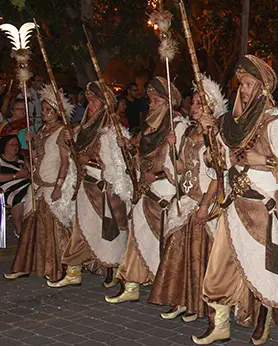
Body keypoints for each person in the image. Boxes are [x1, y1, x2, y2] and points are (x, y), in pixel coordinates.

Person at [193, 55, 278, 345]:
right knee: (219, 264)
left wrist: (265, 160)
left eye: (249, 83)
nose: (244, 90)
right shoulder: (230, 126)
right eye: (241, 84)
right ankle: (219, 322)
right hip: (234, 205)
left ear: (264, 87)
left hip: (265, 209)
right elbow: (217, 166)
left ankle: (264, 318)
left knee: (264, 268)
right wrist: (211, 136)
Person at [148, 75, 227, 321]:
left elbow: (218, 176)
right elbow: (181, 168)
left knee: (198, 257)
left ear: (211, 106)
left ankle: (198, 305)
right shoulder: (189, 132)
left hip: (204, 201)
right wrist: (172, 148)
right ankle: (181, 300)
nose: (193, 107)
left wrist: (204, 206)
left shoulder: (216, 135)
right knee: (177, 253)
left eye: (199, 104)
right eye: (192, 103)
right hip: (184, 200)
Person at [105, 76, 189, 304]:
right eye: (150, 100)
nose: (150, 105)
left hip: (165, 190)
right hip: (145, 188)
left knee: (160, 242)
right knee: (137, 236)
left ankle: (164, 286)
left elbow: (182, 162)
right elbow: (138, 154)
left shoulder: (178, 126)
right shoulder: (149, 127)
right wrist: (127, 146)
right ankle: (131, 283)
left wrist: (159, 174)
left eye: (155, 101)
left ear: (167, 103)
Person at [47, 81, 132, 289]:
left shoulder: (112, 129)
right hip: (85, 186)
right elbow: (75, 157)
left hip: (105, 188)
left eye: (95, 102)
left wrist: (90, 161)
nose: (91, 106)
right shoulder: (81, 129)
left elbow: (118, 163)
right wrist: (69, 140)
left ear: (104, 105)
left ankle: (114, 269)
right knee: (81, 228)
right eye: (90, 102)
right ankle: (73, 270)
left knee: (109, 231)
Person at [4, 85, 76, 282]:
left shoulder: (62, 132)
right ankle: (23, 266)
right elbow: (36, 158)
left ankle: (58, 269)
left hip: (51, 185)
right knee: (29, 226)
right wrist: (30, 143)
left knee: (53, 229)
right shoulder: (42, 130)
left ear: (57, 113)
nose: (43, 113)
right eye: (43, 110)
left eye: (47, 110)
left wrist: (59, 186)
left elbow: (65, 161)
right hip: (36, 184)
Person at [0, 135, 31, 237]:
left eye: (17, 144)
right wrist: (15, 176)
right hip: (6, 188)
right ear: (4, 146)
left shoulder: (21, 159)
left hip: (26, 184)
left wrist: (28, 174)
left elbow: (30, 172)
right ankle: (19, 229)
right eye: (12, 144)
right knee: (18, 198)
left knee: (33, 194)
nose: (15, 146)